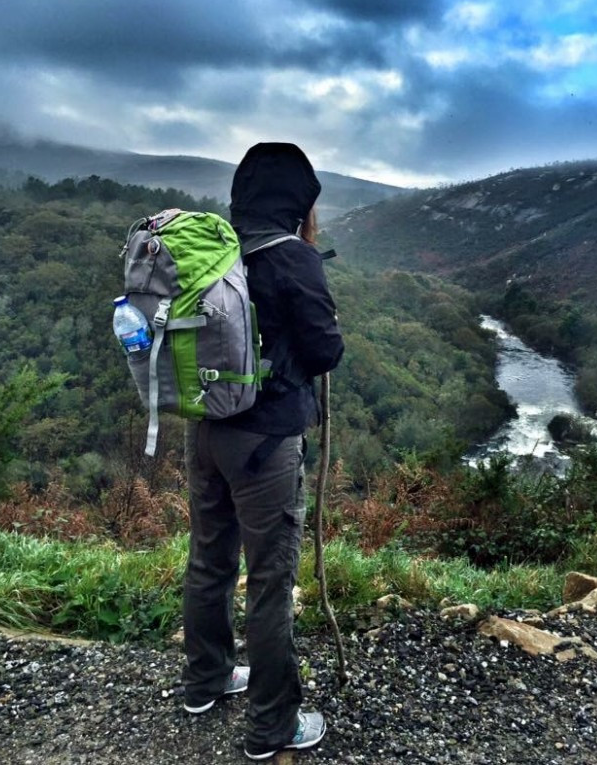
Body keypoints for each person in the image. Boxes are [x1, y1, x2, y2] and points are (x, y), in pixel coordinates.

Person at [182, 142, 345, 761]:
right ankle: (272, 727)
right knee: (271, 580)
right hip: (267, 443)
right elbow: (325, 351)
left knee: (209, 559)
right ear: (298, 201)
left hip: (207, 430)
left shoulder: (217, 252)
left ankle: (206, 681)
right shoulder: (294, 258)